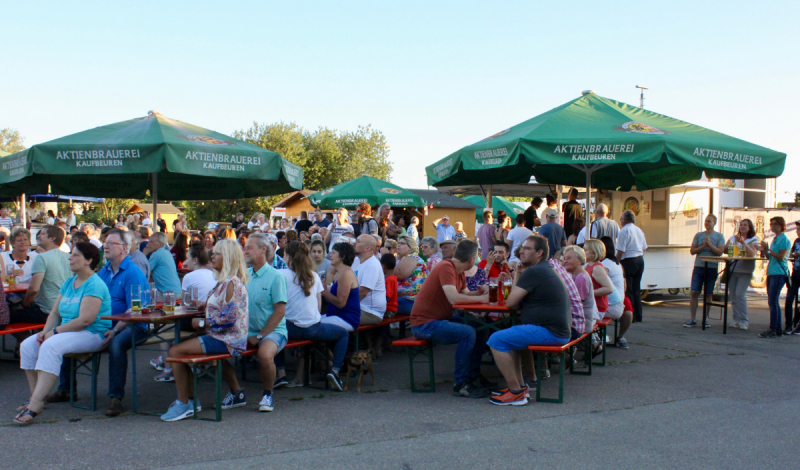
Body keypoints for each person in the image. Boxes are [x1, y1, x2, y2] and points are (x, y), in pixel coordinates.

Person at [14, 242, 112, 425]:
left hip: (92, 334)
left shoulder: (95, 284)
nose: (70, 258)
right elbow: (55, 313)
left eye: (75, 255)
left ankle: (35, 405)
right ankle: (36, 396)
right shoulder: (69, 282)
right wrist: (44, 332)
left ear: (88, 260)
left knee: (51, 345)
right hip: (68, 332)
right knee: (28, 344)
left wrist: (55, 332)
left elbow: (86, 320)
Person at [159, 240, 249, 421]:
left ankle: (184, 403)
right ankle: (194, 399)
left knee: (175, 351)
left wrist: (201, 324)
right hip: (225, 337)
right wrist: (203, 305)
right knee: (182, 349)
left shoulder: (231, 283)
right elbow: (222, 308)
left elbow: (229, 319)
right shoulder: (224, 281)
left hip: (228, 339)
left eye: (217, 253)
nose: (212, 256)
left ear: (228, 258)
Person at [486, 235, 571, 406]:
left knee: (496, 340)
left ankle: (515, 392)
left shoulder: (535, 271)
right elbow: (515, 296)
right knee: (512, 342)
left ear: (539, 253)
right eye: (522, 247)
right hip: (555, 329)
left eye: (527, 248)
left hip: (550, 331)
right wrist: (517, 272)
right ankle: (521, 388)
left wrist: (518, 273)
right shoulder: (542, 269)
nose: (521, 251)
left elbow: (510, 302)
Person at [74, 229, 148, 416]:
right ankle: (65, 388)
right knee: (71, 333)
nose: (105, 246)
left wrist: (115, 330)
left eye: (111, 243)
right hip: (105, 324)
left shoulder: (133, 273)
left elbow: (136, 310)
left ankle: (116, 398)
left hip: (134, 325)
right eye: (105, 242)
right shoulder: (104, 272)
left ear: (124, 248)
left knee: (116, 344)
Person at [410, 239, 491, 397]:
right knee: (467, 332)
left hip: (438, 320)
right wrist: (482, 299)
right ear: (473, 259)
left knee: (481, 328)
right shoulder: (446, 267)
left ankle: (472, 376)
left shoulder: (457, 270)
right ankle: (461, 384)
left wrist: (480, 292)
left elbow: (465, 294)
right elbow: (454, 298)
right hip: (424, 324)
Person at [272, 241, 349, 391]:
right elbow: (318, 307)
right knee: (343, 334)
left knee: (273, 333)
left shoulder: (280, 275)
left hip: (290, 328)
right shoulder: (314, 275)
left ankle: (281, 374)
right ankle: (335, 370)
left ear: (287, 256)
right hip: (313, 328)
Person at [241, 233, 289, 411]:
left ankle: (267, 395)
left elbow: (280, 312)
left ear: (263, 249)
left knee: (265, 354)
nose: (245, 251)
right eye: (245, 247)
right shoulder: (245, 274)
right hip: (247, 330)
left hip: (273, 330)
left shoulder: (276, 276)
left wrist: (260, 335)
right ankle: (235, 391)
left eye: (250, 247)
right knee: (220, 346)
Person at [9, 226, 71, 344]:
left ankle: (31, 345)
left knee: (8, 317)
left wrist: (24, 305)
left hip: (46, 311)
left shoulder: (42, 258)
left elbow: (33, 289)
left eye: (42, 234)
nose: (38, 236)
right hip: (66, 309)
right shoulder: (69, 257)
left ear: (52, 238)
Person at [684, 215, 725, 328]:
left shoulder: (719, 236)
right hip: (699, 266)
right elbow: (692, 251)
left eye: (709, 221)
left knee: (708, 294)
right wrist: (703, 246)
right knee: (694, 292)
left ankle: (705, 319)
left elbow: (720, 252)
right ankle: (692, 318)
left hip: (711, 267)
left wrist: (710, 244)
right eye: (706, 221)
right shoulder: (699, 235)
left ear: (714, 223)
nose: (707, 223)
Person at [724, 219, 760, 331]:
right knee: (733, 296)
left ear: (750, 227)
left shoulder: (753, 240)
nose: (743, 227)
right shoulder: (733, 237)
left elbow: (752, 254)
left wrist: (742, 242)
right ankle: (736, 319)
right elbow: (725, 250)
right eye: (741, 225)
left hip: (745, 271)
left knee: (740, 294)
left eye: (745, 225)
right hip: (733, 270)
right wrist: (731, 243)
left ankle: (744, 320)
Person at [758, 217, 790, 338]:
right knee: (772, 300)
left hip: (779, 273)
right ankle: (777, 328)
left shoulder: (784, 239)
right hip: (772, 272)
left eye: (775, 224)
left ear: (781, 226)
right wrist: (765, 251)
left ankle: (773, 328)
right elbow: (770, 257)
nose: (772, 226)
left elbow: (781, 256)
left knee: (773, 300)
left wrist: (768, 250)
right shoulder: (775, 239)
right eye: (771, 224)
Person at [598, 237, 632, 348]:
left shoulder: (605, 264)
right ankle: (620, 337)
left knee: (591, 309)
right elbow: (625, 284)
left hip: (612, 298)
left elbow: (600, 283)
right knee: (628, 312)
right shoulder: (617, 263)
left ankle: (596, 339)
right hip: (619, 295)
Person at [616, 210, 647, 323]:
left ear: (625, 219)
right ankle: (638, 315)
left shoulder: (624, 231)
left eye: (621, 219)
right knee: (636, 288)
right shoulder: (639, 230)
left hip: (629, 260)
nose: (620, 221)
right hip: (639, 259)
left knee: (628, 289)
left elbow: (620, 250)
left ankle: (631, 315)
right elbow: (644, 247)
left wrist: (616, 262)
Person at [561, 245, 598, 333]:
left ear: (580, 260)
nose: (565, 261)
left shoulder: (581, 278)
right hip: (579, 321)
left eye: (569, 258)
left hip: (581, 324)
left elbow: (574, 304)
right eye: (564, 258)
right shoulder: (576, 275)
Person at [352, 235, 387, 326]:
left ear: (368, 248)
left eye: (358, 241)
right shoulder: (356, 260)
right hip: (359, 308)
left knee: (335, 321)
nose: (354, 243)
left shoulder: (372, 264)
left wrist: (345, 305)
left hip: (370, 312)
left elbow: (363, 292)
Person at [580, 241, 615, 327]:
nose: (583, 251)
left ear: (594, 253)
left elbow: (609, 288)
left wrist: (590, 293)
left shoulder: (597, 268)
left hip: (597, 309)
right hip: (591, 307)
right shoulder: (589, 265)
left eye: (586, 250)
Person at [395, 235, 428, 315]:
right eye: (398, 243)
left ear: (410, 248)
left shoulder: (411, 257)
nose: (398, 245)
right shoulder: (403, 258)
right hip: (409, 300)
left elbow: (400, 274)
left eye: (402, 243)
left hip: (410, 301)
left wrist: (386, 259)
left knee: (377, 304)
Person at [785, 222, 800, 335]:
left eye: (799, 230)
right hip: (796, 274)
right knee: (789, 299)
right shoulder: (797, 241)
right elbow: (791, 253)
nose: (797, 232)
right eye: (797, 230)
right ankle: (789, 325)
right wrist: (791, 255)